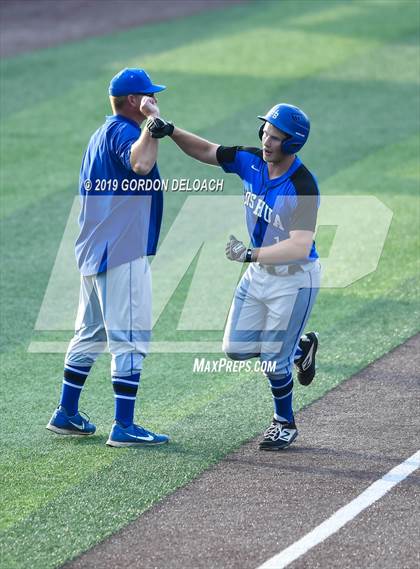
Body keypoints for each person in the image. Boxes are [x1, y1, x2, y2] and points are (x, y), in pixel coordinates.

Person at [146, 104, 320, 450]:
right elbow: (208, 151)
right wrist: (171, 130)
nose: (267, 140)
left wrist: (250, 255)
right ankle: (300, 348)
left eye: (276, 137)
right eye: (266, 133)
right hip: (258, 273)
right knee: (235, 349)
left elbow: (300, 247)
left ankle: (284, 422)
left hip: (295, 279)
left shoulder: (302, 185)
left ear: (292, 144)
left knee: (273, 360)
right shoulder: (250, 161)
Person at [46, 68, 169, 447]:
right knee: (129, 336)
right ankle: (124, 426)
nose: (154, 99)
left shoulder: (100, 134)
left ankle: (66, 413)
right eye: (148, 95)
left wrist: (149, 126)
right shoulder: (124, 131)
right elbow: (140, 164)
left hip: (94, 250)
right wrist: (152, 121)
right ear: (134, 100)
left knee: (92, 332)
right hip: (120, 250)